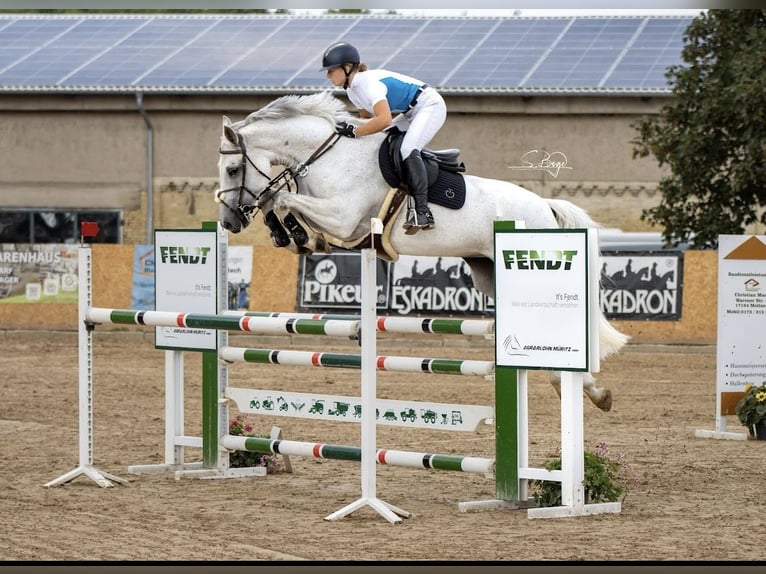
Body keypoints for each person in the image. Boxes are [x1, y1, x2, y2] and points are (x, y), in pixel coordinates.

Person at [321, 41, 447, 233]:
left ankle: (422, 212)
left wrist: (354, 132)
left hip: (430, 105)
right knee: (382, 142)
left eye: (331, 70)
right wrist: (345, 129)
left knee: (407, 149)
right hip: (410, 112)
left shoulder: (368, 84)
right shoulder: (352, 90)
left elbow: (384, 120)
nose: (328, 75)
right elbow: (367, 122)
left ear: (347, 68)